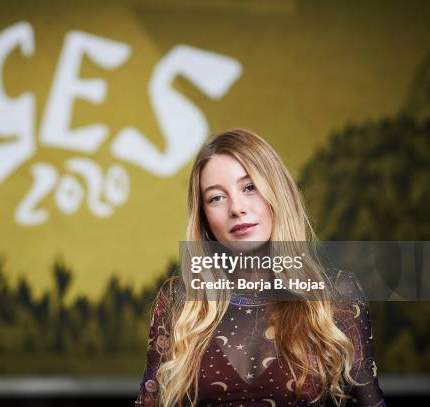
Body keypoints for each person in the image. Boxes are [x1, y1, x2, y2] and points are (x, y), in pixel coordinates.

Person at [135, 129, 386, 406]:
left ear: (277, 192)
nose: (237, 208)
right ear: (204, 219)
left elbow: (369, 400)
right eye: (217, 197)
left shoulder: (336, 294)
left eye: (249, 187)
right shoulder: (178, 301)